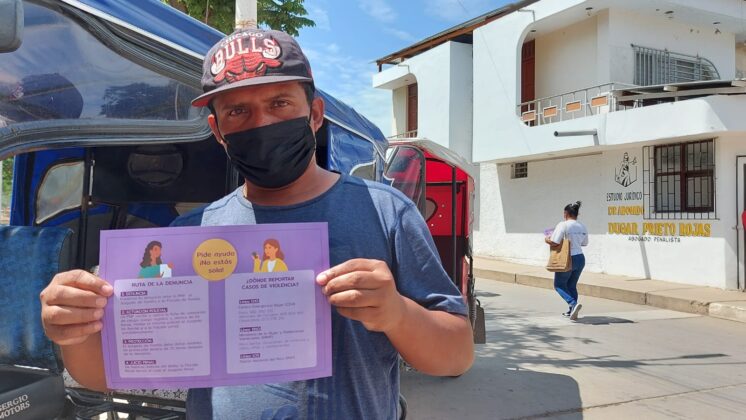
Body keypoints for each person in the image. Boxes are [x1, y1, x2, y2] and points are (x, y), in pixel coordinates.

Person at [39, 28, 474, 419]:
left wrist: (398, 313)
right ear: (217, 131)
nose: (261, 123)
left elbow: (455, 355)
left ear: (314, 114)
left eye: (279, 103)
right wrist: (73, 329)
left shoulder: (386, 212)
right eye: (238, 112)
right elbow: (104, 374)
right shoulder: (188, 236)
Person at [545, 201, 588, 321]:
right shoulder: (582, 226)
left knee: (559, 285)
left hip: (567, 258)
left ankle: (573, 304)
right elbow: (585, 243)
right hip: (580, 258)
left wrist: (547, 240)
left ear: (565, 213)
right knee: (572, 285)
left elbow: (555, 242)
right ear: (577, 214)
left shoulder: (563, 225)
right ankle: (572, 312)